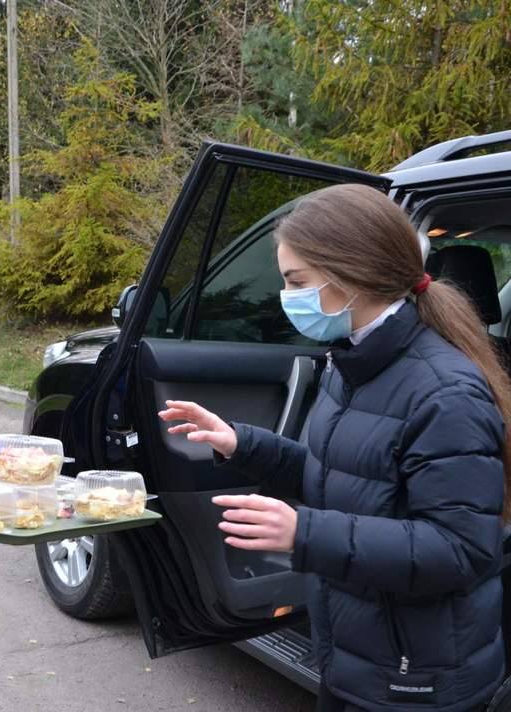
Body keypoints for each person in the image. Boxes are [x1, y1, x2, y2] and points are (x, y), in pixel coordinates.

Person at [159, 184, 510, 712]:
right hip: (358, 654)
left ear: (352, 274)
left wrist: (305, 531)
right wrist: (242, 444)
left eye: (295, 281)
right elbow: (339, 477)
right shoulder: (352, 361)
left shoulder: (444, 392)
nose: (286, 295)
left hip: (416, 679)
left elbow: (460, 549)